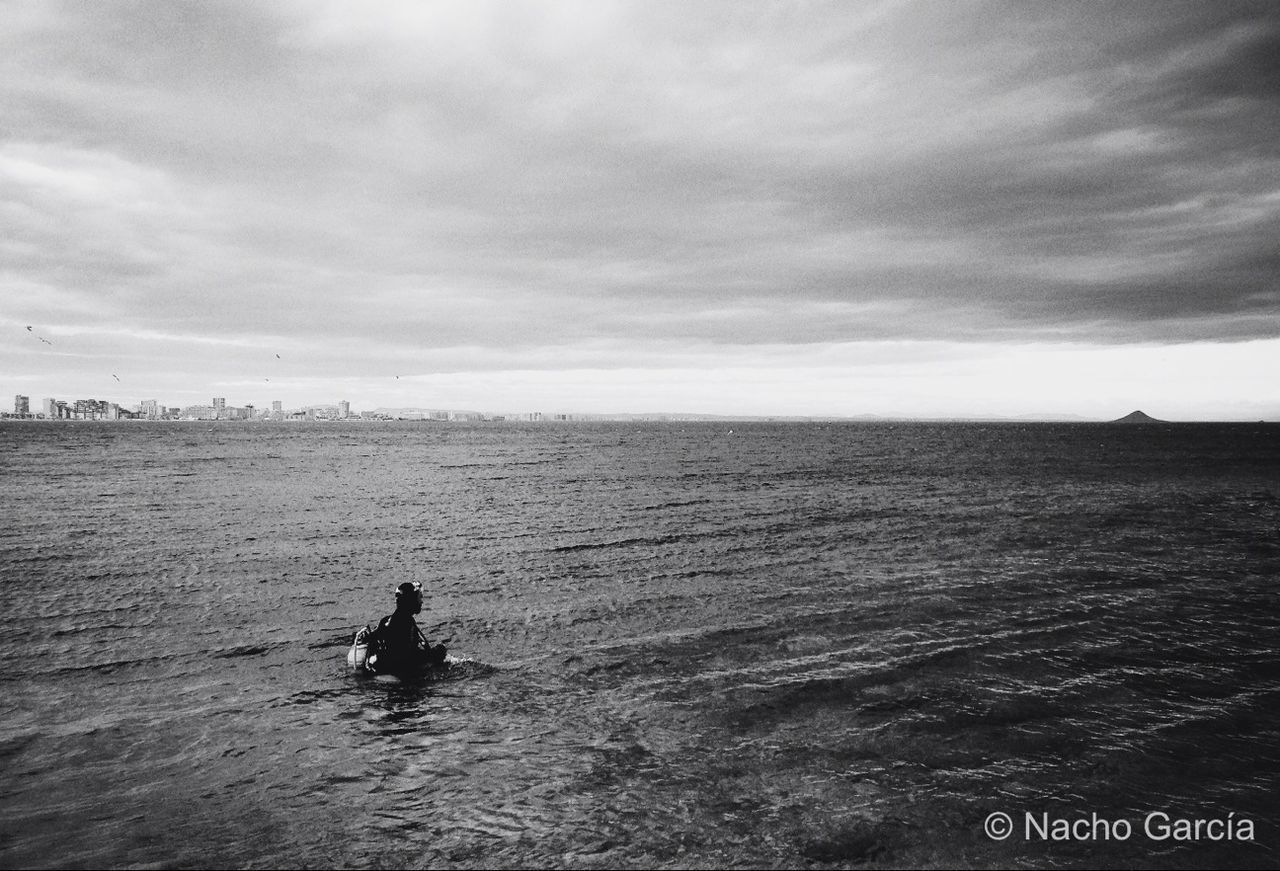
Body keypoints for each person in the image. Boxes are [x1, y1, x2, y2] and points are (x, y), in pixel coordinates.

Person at [365, 581, 447, 673]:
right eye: (419, 598)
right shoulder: (406, 623)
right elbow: (407, 656)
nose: (421, 601)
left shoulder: (386, 620)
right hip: (396, 674)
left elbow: (374, 640)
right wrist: (434, 654)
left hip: (379, 667)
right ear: (410, 600)